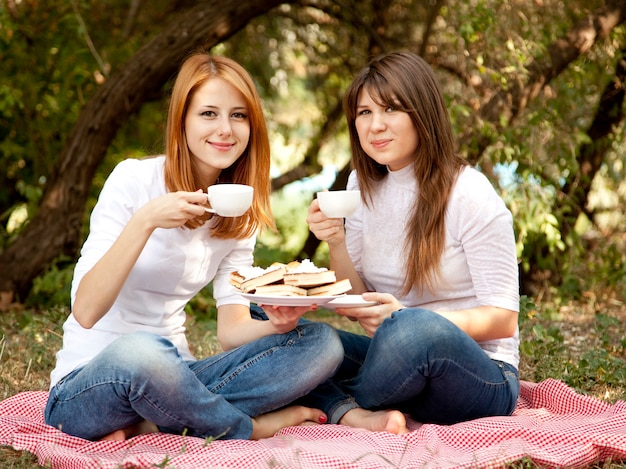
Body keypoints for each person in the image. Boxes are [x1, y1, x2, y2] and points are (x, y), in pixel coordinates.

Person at [44, 51, 343, 442]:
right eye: (208, 114)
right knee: (142, 352)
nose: (225, 129)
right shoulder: (133, 180)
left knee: (321, 343)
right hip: (89, 383)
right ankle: (244, 427)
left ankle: (158, 420)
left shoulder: (236, 209)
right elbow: (85, 310)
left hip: (178, 376)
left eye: (238, 115)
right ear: (181, 120)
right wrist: (146, 220)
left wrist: (277, 324)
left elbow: (231, 330)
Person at [304, 51, 520, 434]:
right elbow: (358, 303)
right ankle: (352, 410)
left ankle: (326, 399)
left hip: (481, 376)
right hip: (392, 359)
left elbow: (503, 320)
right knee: (280, 329)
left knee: (415, 330)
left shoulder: (468, 191)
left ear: (422, 111)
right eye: (364, 112)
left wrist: (403, 318)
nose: (375, 125)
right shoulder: (361, 186)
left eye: (391, 109)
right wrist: (335, 241)